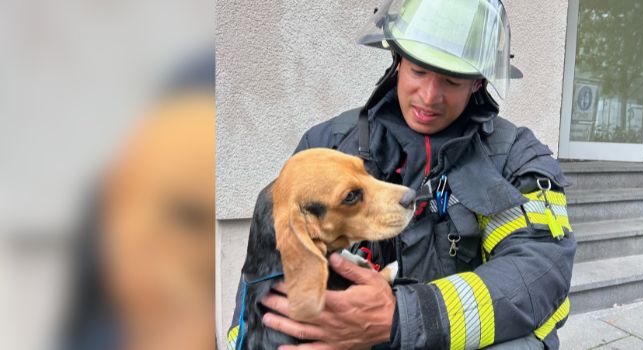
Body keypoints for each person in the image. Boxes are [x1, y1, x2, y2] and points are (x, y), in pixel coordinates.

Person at [227, 0, 575, 349]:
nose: (428, 97)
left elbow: (536, 275)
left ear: (477, 82)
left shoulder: (515, 159)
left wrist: (401, 318)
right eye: (419, 71)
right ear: (397, 61)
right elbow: (264, 275)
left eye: (452, 81)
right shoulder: (328, 146)